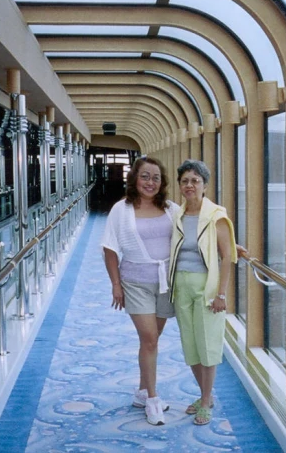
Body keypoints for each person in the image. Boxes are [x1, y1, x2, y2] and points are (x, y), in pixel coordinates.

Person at [101, 156, 180, 426]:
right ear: (134, 178)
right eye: (145, 176)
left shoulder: (171, 208)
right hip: (134, 281)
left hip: (166, 282)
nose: (150, 182)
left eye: (156, 177)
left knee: (153, 338)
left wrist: (229, 245)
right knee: (149, 339)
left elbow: (197, 231)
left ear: (163, 182)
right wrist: (116, 285)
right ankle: (153, 399)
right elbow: (109, 248)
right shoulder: (121, 210)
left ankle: (141, 391)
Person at [168, 159, 239, 426]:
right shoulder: (179, 215)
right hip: (181, 286)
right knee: (191, 345)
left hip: (207, 287)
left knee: (208, 345)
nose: (189, 185)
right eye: (185, 181)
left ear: (205, 185)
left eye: (195, 181)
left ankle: (207, 400)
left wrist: (221, 294)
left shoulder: (216, 216)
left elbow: (226, 256)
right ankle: (204, 395)